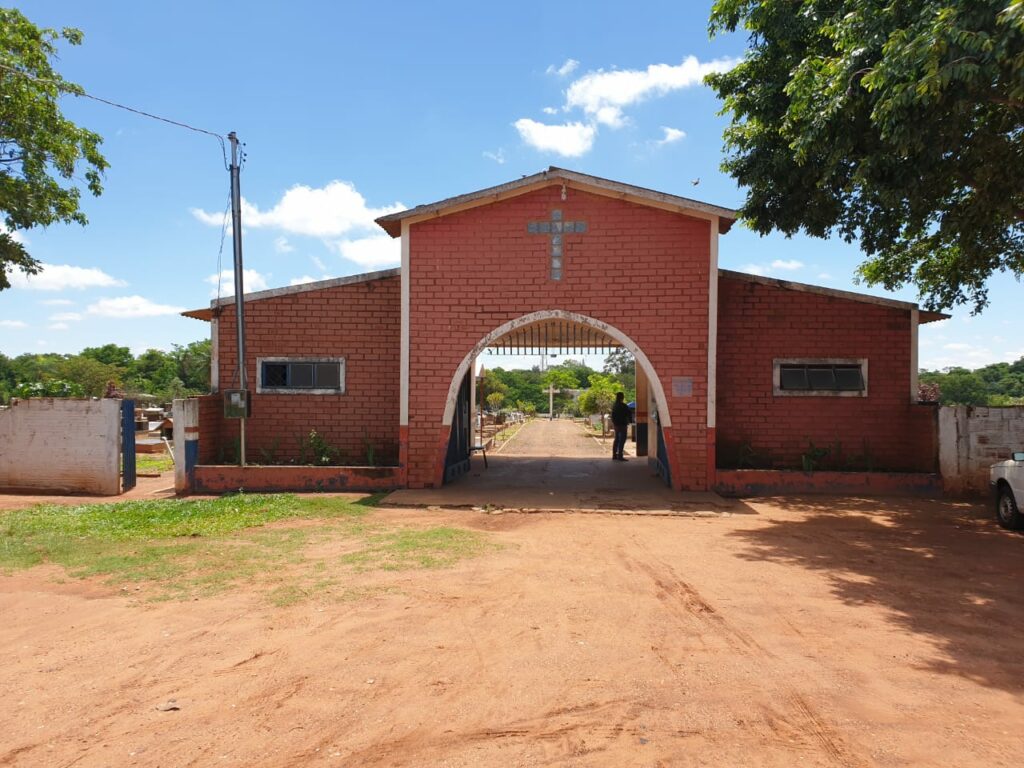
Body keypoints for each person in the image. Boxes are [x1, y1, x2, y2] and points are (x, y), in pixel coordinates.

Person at [610, 391, 631, 461]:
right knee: (622, 440)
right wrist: (629, 421)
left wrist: (614, 423)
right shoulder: (624, 406)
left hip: (616, 425)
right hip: (623, 425)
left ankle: (614, 455)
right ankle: (620, 456)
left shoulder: (614, 406)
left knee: (616, 439)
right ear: (622, 397)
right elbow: (629, 414)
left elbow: (612, 416)